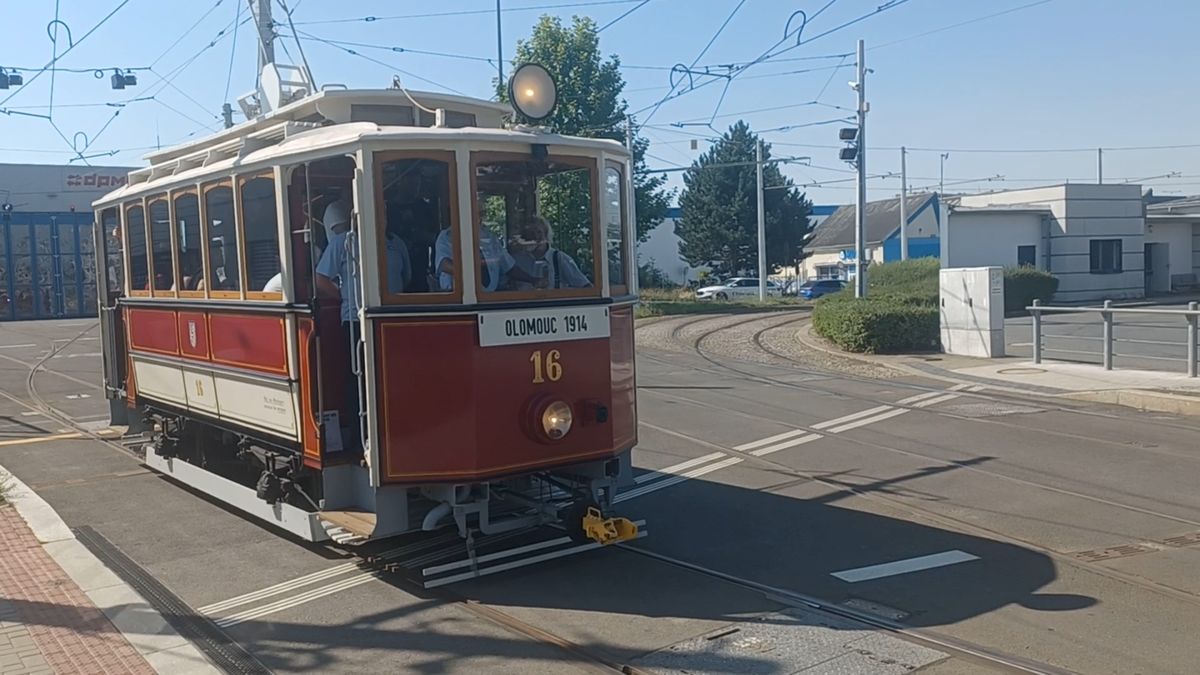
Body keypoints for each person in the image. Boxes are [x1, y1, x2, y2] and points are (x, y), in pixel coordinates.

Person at [433, 221, 546, 292]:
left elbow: (509, 267)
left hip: (488, 299)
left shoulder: (489, 237)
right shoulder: (447, 236)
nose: (480, 218)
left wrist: (532, 280)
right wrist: (472, 274)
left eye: (481, 213)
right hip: (457, 300)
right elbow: (445, 264)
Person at [510, 216, 591, 290]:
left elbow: (585, 287)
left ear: (546, 234)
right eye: (530, 233)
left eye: (538, 232)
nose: (535, 236)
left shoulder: (559, 258)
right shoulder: (516, 261)